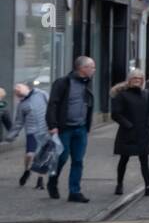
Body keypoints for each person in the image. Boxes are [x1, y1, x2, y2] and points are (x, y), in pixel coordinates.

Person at [46, 56, 97, 203]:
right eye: (92, 67)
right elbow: (53, 105)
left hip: (80, 128)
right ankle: (52, 182)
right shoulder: (63, 83)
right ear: (83, 68)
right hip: (64, 128)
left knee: (78, 160)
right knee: (61, 158)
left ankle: (74, 192)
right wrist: (52, 126)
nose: (94, 70)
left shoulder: (87, 83)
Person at [110, 69, 149, 197]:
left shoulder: (146, 94)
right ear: (130, 80)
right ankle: (119, 184)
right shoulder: (122, 95)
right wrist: (128, 125)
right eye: (135, 78)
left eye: (140, 78)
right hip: (127, 132)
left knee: (144, 160)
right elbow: (116, 114)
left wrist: (148, 124)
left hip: (143, 132)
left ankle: (148, 185)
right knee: (124, 159)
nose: (137, 80)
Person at [6, 83, 50, 189]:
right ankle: (27, 170)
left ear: (27, 87)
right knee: (30, 155)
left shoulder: (42, 94)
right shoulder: (22, 105)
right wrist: (11, 135)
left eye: (19, 89)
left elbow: (52, 107)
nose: (17, 91)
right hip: (32, 132)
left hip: (46, 130)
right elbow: (19, 122)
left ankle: (40, 180)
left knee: (43, 156)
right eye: (16, 91)